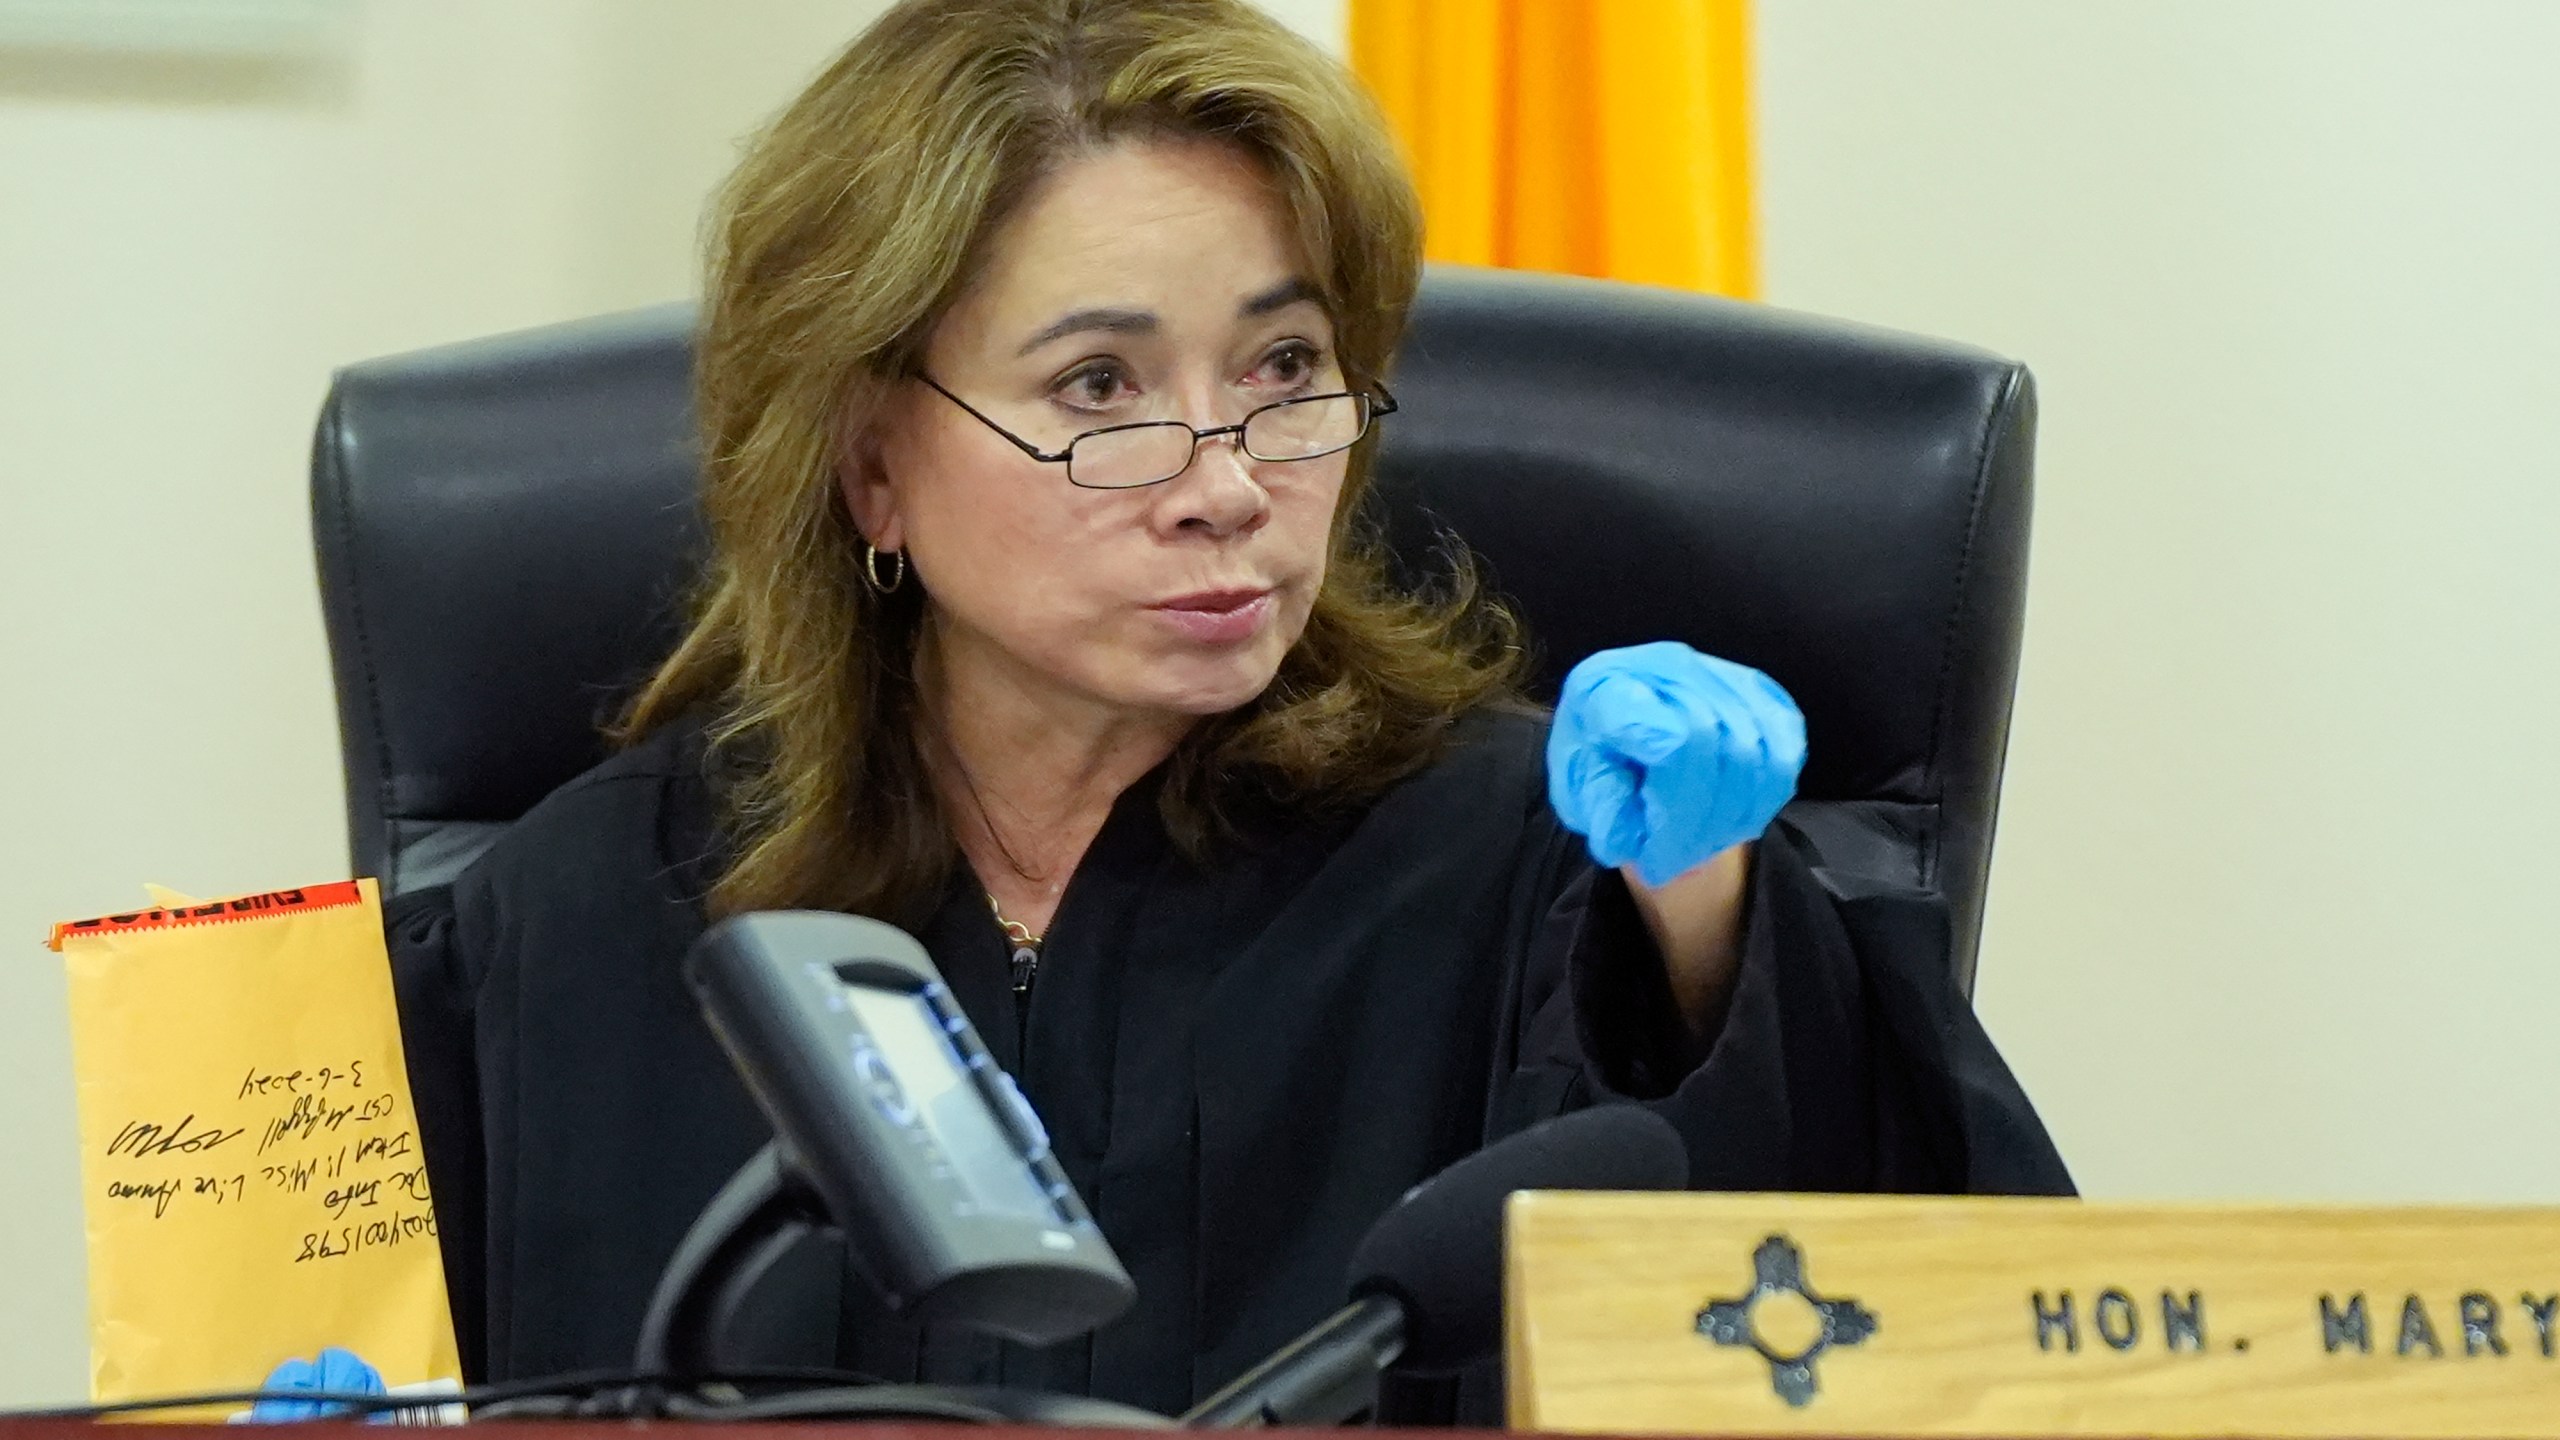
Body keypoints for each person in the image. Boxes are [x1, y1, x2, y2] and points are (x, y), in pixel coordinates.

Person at [387, 0, 2069, 1421]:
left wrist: (1700, 928)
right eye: (1099, 388)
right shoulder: (572, 924)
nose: (1227, 484)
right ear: (869, 462)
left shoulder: (1531, 870)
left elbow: (1916, 1352)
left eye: (1281, 371)